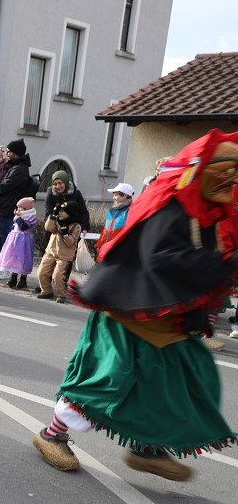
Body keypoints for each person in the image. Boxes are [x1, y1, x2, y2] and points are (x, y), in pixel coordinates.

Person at [35, 130, 238, 481]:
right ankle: (51, 435)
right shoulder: (171, 208)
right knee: (105, 383)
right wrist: (218, 266)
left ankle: (147, 450)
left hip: (165, 322)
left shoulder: (201, 212)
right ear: (203, 171)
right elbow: (163, 259)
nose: (232, 180)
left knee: (170, 385)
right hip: (129, 318)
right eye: (225, 171)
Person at [0, 139, 36, 277]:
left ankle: (6, 269)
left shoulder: (20, 169)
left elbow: (5, 185)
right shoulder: (12, 166)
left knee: (6, 240)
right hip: (0, 208)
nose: (6, 154)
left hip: (6, 209)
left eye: (9, 151)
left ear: (16, 153)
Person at [35, 201, 82, 303]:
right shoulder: (58, 220)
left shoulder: (76, 226)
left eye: (63, 211)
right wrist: (52, 216)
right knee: (41, 272)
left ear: (70, 213)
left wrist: (65, 233)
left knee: (58, 276)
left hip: (64, 256)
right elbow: (48, 228)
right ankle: (47, 291)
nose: (61, 213)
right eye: (60, 211)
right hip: (51, 251)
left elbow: (71, 243)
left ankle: (61, 294)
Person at [0, 196, 36, 289]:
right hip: (15, 239)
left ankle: (23, 280)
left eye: (20, 208)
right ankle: (13, 277)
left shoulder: (31, 217)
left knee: (23, 258)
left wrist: (18, 217)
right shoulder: (20, 215)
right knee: (14, 257)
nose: (18, 209)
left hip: (23, 240)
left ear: (26, 208)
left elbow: (23, 226)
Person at [96, 182, 134, 251]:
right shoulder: (112, 210)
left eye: (116, 195)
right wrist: (100, 243)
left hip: (119, 250)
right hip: (106, 249)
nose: (113, 198)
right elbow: (106, 229)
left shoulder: (131, 211)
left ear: (125, 195)